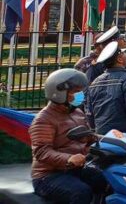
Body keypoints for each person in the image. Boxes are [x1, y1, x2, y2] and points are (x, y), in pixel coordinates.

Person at [31, 69, 108, 204]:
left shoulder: (77, 113)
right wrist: (68, 158)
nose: (80, 94)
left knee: (107, 180)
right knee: (81, 192)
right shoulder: (44, 119)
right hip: (48, 175)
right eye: (75, 91)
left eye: (80, 90)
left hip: (76, 169)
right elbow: (42, 151)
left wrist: (113, 139)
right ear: (58, 93)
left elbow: (88, 137)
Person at [84, 41, 126, 136]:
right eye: (123, 53)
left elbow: (89, 112)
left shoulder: (96, 82)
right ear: (119, 59)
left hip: (100, 132)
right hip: (123, 134)